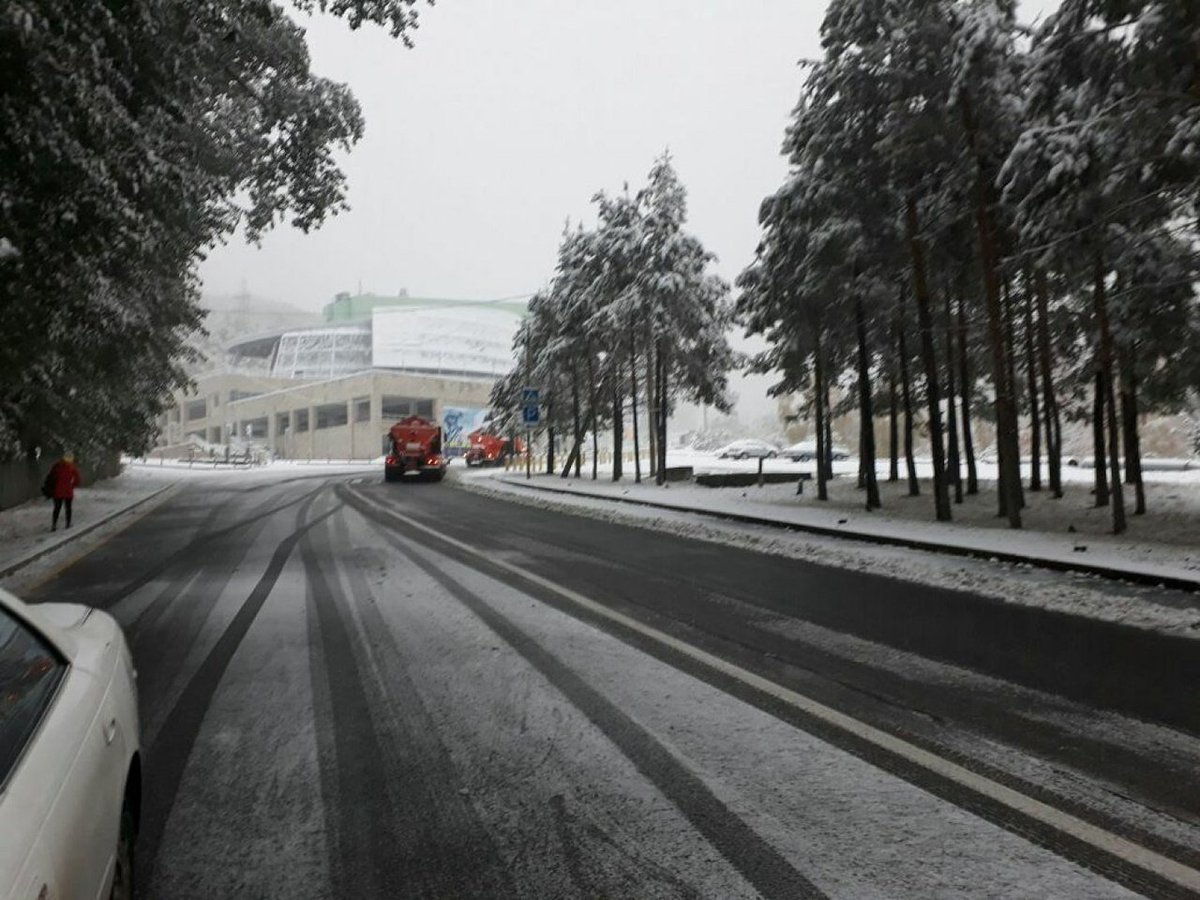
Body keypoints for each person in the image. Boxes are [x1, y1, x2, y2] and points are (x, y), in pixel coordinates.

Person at [47, 452, 81, 531]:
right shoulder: (72, 467)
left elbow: (51, 476)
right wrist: (72, 486)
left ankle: (54, 525)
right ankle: (68, 523)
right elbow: (77, 479)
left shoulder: (57, 466)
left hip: (57, 491)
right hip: (68, 491)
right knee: (68, 508)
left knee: (57, 508)